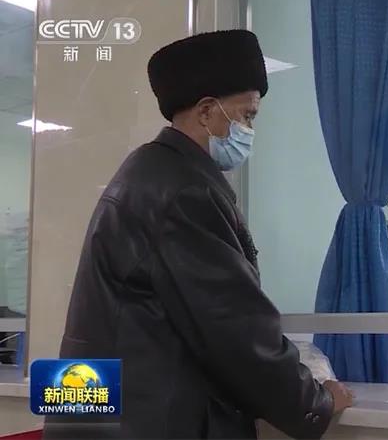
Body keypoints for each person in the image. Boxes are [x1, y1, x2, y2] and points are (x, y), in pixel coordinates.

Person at [42, 30, 352, 439]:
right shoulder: (184, 192)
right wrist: (315, 402)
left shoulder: (147, 171)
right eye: (248, 115)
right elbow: (235, 330)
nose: (250, 129)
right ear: (206, 112)